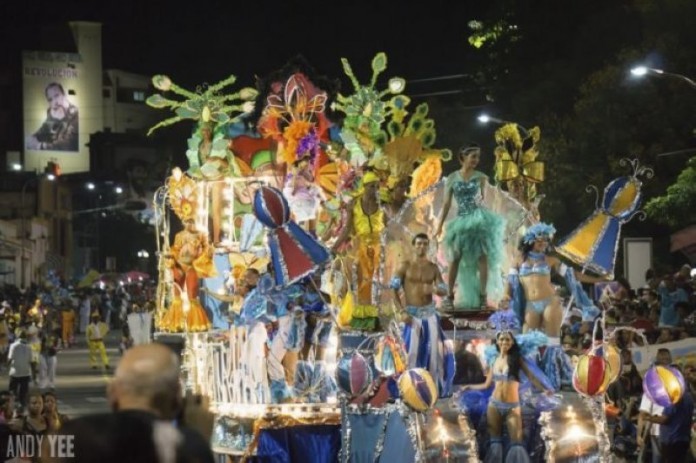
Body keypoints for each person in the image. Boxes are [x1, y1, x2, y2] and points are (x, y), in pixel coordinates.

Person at [52, 343, 214, 463]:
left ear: (112, 393)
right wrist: (198, 438)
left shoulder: (71, 436)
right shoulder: (183, 445)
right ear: (176, 399)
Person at [462, 330, 553, 462]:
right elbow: (487, 385)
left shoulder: (517, 359)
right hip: (494, 405)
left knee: (517, 442)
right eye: (502, 339)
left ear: (512, 342)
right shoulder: (493, 360)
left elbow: (532, 377)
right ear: (497, 342)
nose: (504, 342)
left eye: (507, 339)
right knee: (495, 442)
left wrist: (544, 389)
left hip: (512, 406)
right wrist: (469, 386)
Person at [434, 144, 505, 310]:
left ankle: (482, 297)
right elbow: (446, 204)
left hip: (478, 219)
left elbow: (481, 199)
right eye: (473, 156)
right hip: (461, 221)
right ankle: (449, 296)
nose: (476, 160)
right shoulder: (452, 178)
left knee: (482, 257)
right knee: (455, 258)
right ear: (463, 157)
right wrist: (439, 226)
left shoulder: (480, 177)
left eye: (478, 157)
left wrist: (482, 213)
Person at [504, 223, 607, 336]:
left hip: (550, 302)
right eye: (540, 240)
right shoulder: (518, 260)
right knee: (527, 340)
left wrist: (597, 280)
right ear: (531, 240)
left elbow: (573, 275)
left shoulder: (551, 260)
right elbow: (510, 282)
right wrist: (506, 295)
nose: (543, 243)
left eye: (546, 240)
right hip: (530, 304)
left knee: (552, 342)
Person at [391, 233, 453, 397]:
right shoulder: (405, 266)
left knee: (434, 355)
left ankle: (433, 391)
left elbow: (444, 290)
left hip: (430, 315)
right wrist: (401, 311)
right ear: (413, 245)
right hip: (411, 316)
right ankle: (408, 390)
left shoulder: (433, 267)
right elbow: (393, 290)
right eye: (418, 244)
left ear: (428, 246)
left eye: (425, 244)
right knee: (410, 354)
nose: (421, 247)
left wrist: (433, 289)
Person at [331, 172, 384, 327]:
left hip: (378, 247)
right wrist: (335, 247)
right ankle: (360, 318)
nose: (375, 189)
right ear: (365, 187)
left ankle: (377, 317)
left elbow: (390, 226)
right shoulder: (353, 204)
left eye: (376, 186)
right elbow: (347, 228)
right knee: (359, 282)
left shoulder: (383, 204)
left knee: (377, 283)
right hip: (359, 247)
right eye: (372, 186)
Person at [160, 218, 214, 332]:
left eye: (192, 222)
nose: (189, 225)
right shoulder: (179, 235)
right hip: (179, 265)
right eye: (187, 222)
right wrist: (170, 257)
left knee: (192, 295)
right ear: (183, 223)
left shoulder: (200, 235)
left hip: (192, 266)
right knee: (176, 296)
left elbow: (205, 250)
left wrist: (204, 253)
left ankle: (194, 323)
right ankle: (176, 323)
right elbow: (175, 249)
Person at [638, 348, 673, 463]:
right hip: (658, 433)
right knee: (658, 459)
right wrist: (639, 435)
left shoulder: (677, 387)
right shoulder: (650, 390)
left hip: (675, 432)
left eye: (667, 360)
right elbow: (643, 414)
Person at [25, 82, 79, 152]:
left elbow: (68, 143)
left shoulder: (75, 114)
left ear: (64, 95)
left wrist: (40, 146)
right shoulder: (51, 112)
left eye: (56, 96)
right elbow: (43, 130)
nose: (55, 102)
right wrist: (31, 139)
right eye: (50, 100)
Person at [8, 330, 32, 410]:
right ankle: (22, 405)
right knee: (23, 392)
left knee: (12, 391)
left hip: (15, 372)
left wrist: (7, 366)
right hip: (25, 372)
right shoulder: (29, 346)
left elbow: (10, 358)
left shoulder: (13, 346)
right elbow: (31, 360)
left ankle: (13, 405)